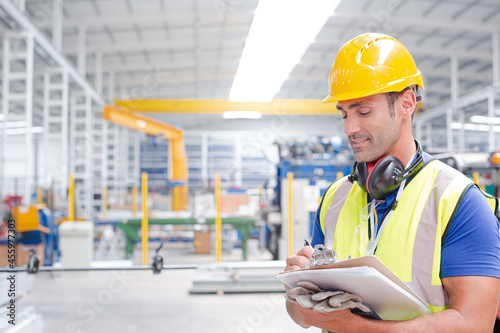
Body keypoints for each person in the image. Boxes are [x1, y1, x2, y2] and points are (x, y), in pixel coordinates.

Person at [283, 32, 500, 332]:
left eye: (363, 111)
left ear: (407, 104)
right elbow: (302, 317)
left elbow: (474, 324)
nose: (350, 127)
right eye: (344, 113)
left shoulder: (459, 203)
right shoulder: (334, 199)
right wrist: (298, 296)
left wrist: (352, 326)